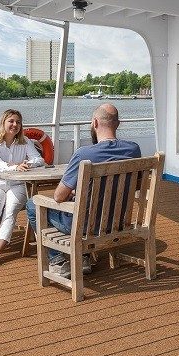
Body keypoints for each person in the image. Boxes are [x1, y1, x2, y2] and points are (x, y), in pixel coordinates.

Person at [26, 103, 141, 278]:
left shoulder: (84, 154)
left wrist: (73, 192)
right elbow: (135, 185)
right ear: (118, 124)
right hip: (118, 223)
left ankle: (57, 261)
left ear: (95, 123)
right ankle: (84, 258)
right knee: (80, 202)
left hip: (85, 226)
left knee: (32, 204)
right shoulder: (133, 149)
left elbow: (59, 196)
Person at [0, 109, 43, 271]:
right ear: (3, 123)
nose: (15, 125)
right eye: (11, 121)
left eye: (18, 122)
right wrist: (15, 167)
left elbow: (39, 160)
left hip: (17, 184)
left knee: (10, 210)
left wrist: (27, 164)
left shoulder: (25, 141)